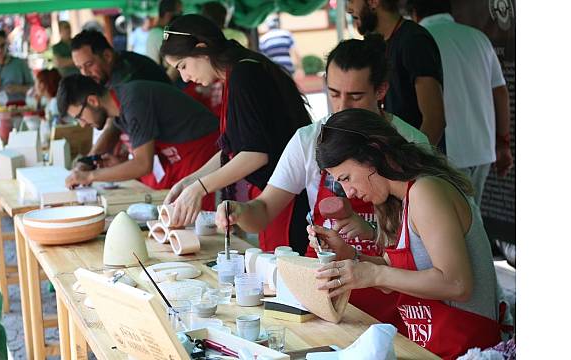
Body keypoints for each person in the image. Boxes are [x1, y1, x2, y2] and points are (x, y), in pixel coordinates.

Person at [215, 35, 428, 321]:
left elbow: (428, 245)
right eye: (334, 93)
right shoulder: (308, 140)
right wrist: (239, 211)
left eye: (355, 96)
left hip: (394, 289)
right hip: (322, 287)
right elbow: (263, 211)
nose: (341, 107)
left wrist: (369, 232)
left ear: (381, 90)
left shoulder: (411, 142)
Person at [309, 108, 506, 359]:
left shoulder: (426, 191)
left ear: (374, 150)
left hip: (468, 350)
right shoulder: (400, 201)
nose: (349, 193)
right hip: (432, 348)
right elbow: (400, 275)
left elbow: (457, 284)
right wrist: (350, 256)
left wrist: (375, 273)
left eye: (347, 178)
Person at [160, 14, 312, 251]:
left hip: (287, 198)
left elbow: (255, 154)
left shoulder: (244, 74)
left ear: (202, 49)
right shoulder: (239, 71)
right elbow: (231, 150)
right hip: (277, 194)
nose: (184, 77)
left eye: (183, 65)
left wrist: (200, 187)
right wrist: (189, 181)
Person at [406, 0, 513, 206]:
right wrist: (503, 142)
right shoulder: (478, 37)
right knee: (474, 218)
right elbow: (500, 92)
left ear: (414, 13)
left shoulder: (418, 41)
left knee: (458, 224)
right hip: (482, 150)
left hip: (444, 151)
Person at [57, 74, 219, 209]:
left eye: (79, 116)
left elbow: (143, 164)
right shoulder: (119, 107)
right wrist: (92, 161)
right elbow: (124, 138)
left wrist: (90, 176)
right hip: (183, 158)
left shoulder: (133, 102)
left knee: (204, 227)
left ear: (93, 101)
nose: (82, 124)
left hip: (204, 153)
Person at [345, 0, 445, 146]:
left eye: (352, 1)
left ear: (373, 2)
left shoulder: (414, 40)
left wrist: (414, 164)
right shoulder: (372, 44)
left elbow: (435, 119)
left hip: (414, 163)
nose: (349, 9)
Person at [71, 29, 170, 88]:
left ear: (107, 56)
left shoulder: (128, 75)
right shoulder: (120, 63)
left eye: (89, 64)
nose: (85, 73)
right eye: (80, 67)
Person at [0, 30, 34, 105]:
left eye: (2, 45)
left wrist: (19, 88)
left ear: (7, 44)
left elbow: (33, 89)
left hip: (18, 108)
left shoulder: (19, 63)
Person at [146, 0, 183, 76]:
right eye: (179, 14)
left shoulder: (156, 32)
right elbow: (176, 62)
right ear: (168, 15)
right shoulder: (160, 34)